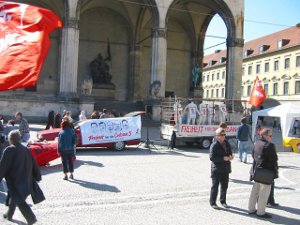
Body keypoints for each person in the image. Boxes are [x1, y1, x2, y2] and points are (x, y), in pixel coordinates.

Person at [0, 130, 41, 224]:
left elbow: (3, 166)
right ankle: (9, 214)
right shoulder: (26, 149)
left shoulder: (9, 150)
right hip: (25, 179)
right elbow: (34, 164)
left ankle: (31, 218)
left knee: (19, 199)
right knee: (13, 195)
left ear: (10, 139)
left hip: (15, 180)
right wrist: (38, 176)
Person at [248, 128, 278, 219]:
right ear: (264, 135)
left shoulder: (256, 143)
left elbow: (253, 155)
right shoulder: (270, 145)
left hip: (256, 171)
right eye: (270, 136)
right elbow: (274, 159)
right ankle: (261, 212)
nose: (271, 137)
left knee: (255, 191)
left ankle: (251, 209)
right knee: (264, 193)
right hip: (266, 173)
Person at [209, 128, 233, 209]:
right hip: (217, 169)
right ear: (217, 136)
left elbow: (230, 152)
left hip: (225, 168)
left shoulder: (226, 143)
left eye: (224, 134)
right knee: (215, 186)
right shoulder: (214, 145)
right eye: (222, 135)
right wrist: (223, 158)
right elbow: (212, 158)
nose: (224, 136)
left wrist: (230, 156)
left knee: (224, 186)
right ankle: (213, 202)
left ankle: (223, 201)